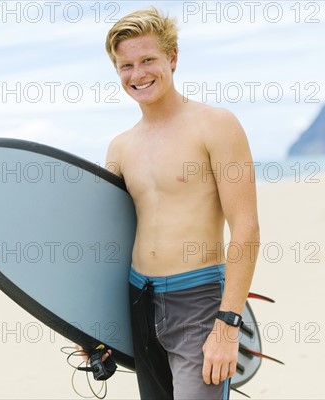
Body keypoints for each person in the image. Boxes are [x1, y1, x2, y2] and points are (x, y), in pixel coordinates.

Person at [103, 7, 260, 400]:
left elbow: (246, 227)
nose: (137, 74)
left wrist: (227, 325)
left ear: (172, 58)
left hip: (198, 300)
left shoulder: (215, 125)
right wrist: (95, 328)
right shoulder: (120, 147)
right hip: (138, 300)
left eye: (148, 60)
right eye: (126, 65)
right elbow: (109, 242)